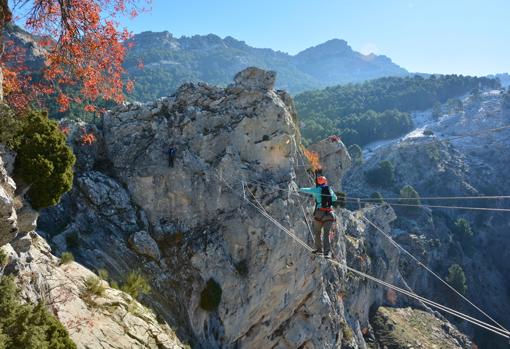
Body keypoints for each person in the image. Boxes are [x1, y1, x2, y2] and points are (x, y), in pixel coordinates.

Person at [299, 176, 337, 258]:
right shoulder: (329, 189)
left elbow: (305, 190)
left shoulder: (316, 189)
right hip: (329, 214)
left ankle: (319, 250)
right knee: (326, 234)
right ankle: (327, 253)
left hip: (319, 213)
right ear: (325, 181)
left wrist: (299, 188)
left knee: (317, 232)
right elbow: (335, 198)